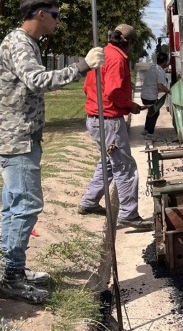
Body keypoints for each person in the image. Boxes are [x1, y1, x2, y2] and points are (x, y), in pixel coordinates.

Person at [0, 0, 104, 304]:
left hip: (13, 135)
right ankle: (12, 279)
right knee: (25, 205)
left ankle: (13, 270)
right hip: (15, 139)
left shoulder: (25, 43)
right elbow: (37, 81)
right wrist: (82, 66)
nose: (57, 21)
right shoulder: (20, 43)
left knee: (14, 206)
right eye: (55, 15)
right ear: (40, 14)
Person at [78, 24, 152, 231]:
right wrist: (129, 105)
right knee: (125, 167)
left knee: (109, 163)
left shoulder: (101, 54)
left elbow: (89, 87)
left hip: (95, 117)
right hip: (109, 120)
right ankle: (129, 214)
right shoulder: (118, 58)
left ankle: (89, 202)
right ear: (128, 43)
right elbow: (113, 91)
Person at [141, 51, 170, 139]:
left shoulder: (152, 67)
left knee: (150, 111)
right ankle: (150, 134)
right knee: (155, 113)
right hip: (150, 97)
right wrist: (168, 91)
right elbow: (160, 86)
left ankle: (146, 130)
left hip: (144, 95)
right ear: (165, 62)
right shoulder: (160, 71)